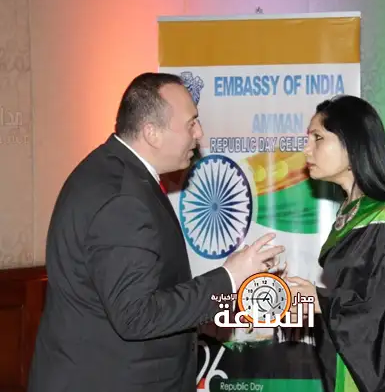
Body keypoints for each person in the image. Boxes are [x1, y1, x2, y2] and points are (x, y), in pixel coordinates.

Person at [27, 72, 284, 392]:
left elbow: (147, 285)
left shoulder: (114, 172)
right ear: (152, 133)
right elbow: (135, 315)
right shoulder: (123, 198)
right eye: (191, 123)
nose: (199, 133)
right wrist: (229, 278)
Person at [285, 95, 385, 392]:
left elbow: (384, 313)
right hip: (351, 362)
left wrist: (321, 301)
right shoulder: (351, 211)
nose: (306, 149)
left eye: (318, 138)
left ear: (352, 144)